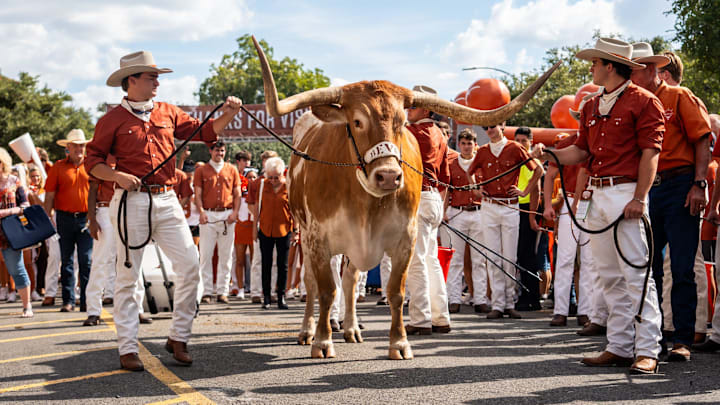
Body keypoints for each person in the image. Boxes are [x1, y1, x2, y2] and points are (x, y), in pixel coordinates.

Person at [85, 50, 242, 371]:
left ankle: (179, 336)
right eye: (151, 76)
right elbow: (92, 162)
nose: (157, 81)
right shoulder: (111, 120)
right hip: (131, 200)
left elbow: (205, 132)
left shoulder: (169, 112)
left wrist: (228, 112)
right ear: (132, 81)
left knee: (190, 267)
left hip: (168, 199)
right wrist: (116, 175)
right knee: (128, 276)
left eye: (157, 76)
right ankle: (128, 347)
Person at [533, 37, 665, 374]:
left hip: (626, 193)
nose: (590, 67)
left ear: (610, 65)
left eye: (595, 62)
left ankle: (647, 349)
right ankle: (619, 346)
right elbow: (581, 151)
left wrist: (639, 197)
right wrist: (549, 154)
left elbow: (651, 152)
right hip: (598, 193)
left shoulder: (644, 101)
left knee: (636, 273)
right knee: (608, 275)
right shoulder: (591, 106)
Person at [630, 42, 712, 362]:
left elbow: (702, 138)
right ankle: (655, 336)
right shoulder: (637, 102)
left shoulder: (679, 96)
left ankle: (682, 338)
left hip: (680, 184)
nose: (630, 77)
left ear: (651, 69)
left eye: (633, 70)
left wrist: (699, 184)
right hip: (650, 188)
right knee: (648, 266)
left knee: (681, 267)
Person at [468, 122, 543, 320]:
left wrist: (525, 191)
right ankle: (498, 304)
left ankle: (509, 303)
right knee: (492, 256)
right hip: (489, 206)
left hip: (510, 206)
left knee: (510, 257)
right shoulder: (483, 151)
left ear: (502, 126)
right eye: (486, 127)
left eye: (492, 125)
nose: (489, 130)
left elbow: (538, 170)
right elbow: (470, 172)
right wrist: (476, 189)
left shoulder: (515, 148)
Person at [404, 85, 451, 335]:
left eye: (411, 105)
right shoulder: (440, 135)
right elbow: (445, 176)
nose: (407, 110)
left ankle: (420, 319)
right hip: (434, 197)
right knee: (431, 259)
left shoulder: (410, 133)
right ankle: (440, 316)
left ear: (424, 108)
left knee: (417, 260)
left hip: (418, 196)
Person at [543, 133, 595, 327]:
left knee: (590, 260)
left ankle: (586, 311)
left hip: (593, 199)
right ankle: (560, 311)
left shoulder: (599, 138)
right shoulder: (567, 143)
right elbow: (549, 176)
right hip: (571, 199)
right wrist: (548, 205)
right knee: (565, 257)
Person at [44, 129, 92, 313]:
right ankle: (68, 300)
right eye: (76, 145)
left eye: (82, 145)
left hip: (86, 218)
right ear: (68, 147)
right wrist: (47, 220)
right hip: (63, 218)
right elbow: (49, 195)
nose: (79, 148)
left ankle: (87, 301)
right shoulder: (58, 167)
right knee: (66, 261)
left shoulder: (92, 165)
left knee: (86, 261)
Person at [443, 128, 486, 314]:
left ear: (475, 145)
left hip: (479, 212)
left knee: (479, 260)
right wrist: (443, 212)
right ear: (459, 145)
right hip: (457, 213)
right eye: (464, 143)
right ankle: (454, 299)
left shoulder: (482, 164)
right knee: (455, 260)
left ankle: (481, 299)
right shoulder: (451, 163)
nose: (467, 147)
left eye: (470, 143)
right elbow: (447, 190)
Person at [195, 141, 241, 304]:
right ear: (210, 151)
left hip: (227, 215)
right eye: (216, 150)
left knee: (226, 255)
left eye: (222, 151)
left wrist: (235, 212)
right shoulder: (201, 170)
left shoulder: (232, 169)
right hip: (208, 214)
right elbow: (198, 194)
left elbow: (237, 193)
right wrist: (201, 212)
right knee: (205, 255)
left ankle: (223, 291)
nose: (219, 154)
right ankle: (206, 291)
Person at [252, 157, 296, 310]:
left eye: (276, 177)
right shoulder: (263, 185)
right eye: (270, 177)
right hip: (265, 229)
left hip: (284, 230)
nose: (273, 180)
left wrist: (295, 231)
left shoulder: (289, 186)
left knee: (283, 265)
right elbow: (257, 208)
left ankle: (281, 297)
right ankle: (266, 298)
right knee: (266, 264)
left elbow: (294, 210)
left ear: (282, 174)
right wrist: (254, 230)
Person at [83, 156, 118, 326]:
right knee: (100, 262)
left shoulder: (129, 155)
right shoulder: (102, 158)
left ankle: (137, 309)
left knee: (132, 261)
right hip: (104, 209)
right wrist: (92, 220)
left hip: (126, 209)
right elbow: (92, 190)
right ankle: (93, 311)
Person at [513, 127, 544, 312]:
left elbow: (536, 190)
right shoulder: (518, 158)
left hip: (529, 208)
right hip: (516, 207)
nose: (521, 144)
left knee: (528, 256)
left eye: (524, 140)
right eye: (518, 140)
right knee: (521, 255)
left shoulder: (533, 161)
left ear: (531, 141)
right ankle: (527, 295)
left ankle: (532, 297)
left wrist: (532, 217)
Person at [0, 147, 33, 317]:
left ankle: (27, 306)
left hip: (10, 231)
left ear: (3, 163)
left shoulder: (14, 181)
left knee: (16, 267)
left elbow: (25, 206)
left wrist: (7, 212)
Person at [247, 150, 279, 303]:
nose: (269, 164)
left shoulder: (283, 182)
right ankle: (255, 292)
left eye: (272, 161)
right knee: (258, 259)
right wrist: (260, 218)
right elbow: (250, 204)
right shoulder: (257, 182)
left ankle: (271, 291)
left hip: (279, 226)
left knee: (274, 260)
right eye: (266, 161)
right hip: (261, 225)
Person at [233, 150, 253, 300]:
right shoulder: (234, 177)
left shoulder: (255, 185)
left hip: (252, 226)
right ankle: (239, 287)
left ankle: (253, 287)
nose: (246, 163)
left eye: (248, 161)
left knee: (254, 260)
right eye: (244, 160)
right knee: (238, 259)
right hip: (239, 225)